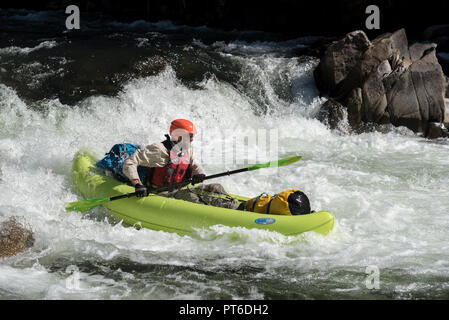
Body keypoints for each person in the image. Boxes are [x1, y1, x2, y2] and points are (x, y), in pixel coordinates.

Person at [122, 119, 240, 209]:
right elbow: (130, 162)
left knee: (216, 187)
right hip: (159, 193)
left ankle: (235, 206)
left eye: (192, 136)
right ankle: (224, 211)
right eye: (190, 136)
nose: (192, 139)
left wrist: (200, 174)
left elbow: (196, 167)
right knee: (190, 196)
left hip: (179, 190)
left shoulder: (187, 149)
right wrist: (137, 184)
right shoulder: (159, 150)